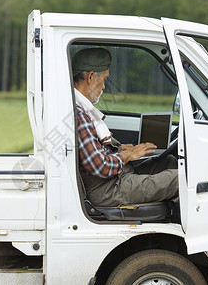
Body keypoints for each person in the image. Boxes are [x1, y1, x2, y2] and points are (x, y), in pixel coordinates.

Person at [72, 48, 178, 207]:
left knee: (169, 161)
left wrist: (120, 149)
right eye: (105, 79)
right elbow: (100, 166)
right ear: (91, 76)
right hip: (107, 189)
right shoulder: (80, 115)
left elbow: (93, 151)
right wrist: (128, 155)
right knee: (179, 179)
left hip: (113, 179)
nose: (104, 87)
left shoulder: (80, 108)